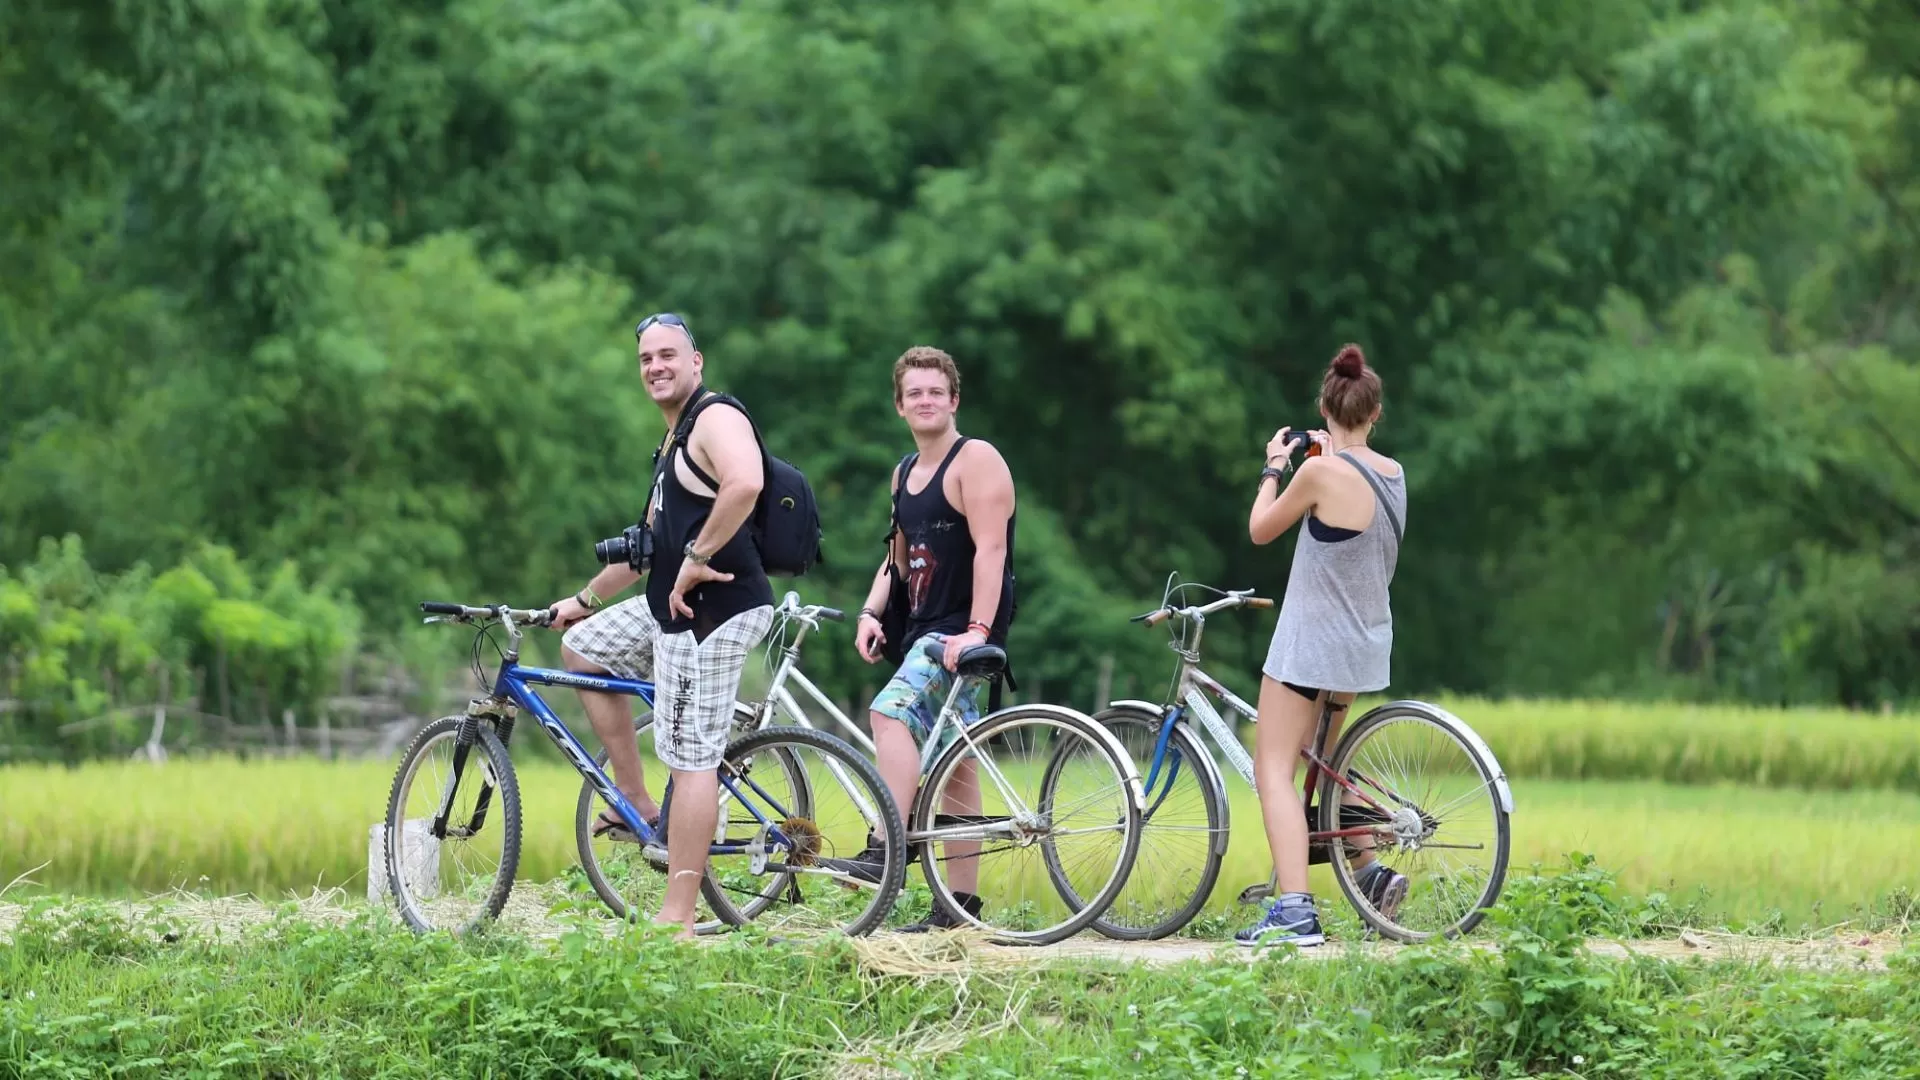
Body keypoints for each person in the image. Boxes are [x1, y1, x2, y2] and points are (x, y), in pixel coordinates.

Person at [547, 312, 776, 938]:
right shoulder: (673, 442)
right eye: (646, 358)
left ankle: (677, 918)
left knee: (691, 757)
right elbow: (645, 549)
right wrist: (583, 600)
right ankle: (635, 802)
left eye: (668, 355)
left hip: (714, 612)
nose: (656, 367)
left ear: (696, 361)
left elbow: (747, 481)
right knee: (583, 648)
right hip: (670, 611)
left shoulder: (715, 418)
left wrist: (697, 559)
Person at [1235, 343, 1410, 948]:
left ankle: (1294, 911)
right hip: (1364, 643)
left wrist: (1273, 467)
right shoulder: (1394, 474)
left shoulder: (1315, 473)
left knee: (1272, 769)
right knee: (1324, 764)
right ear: (1376, 412)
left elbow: (1261, 529)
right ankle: (1370, 873)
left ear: (1323, 408)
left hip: (1310, 645)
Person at [845, 345, 1017, 931]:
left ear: (954, 400)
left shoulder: (977, 460)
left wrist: (978, 632)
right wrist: (871, 612)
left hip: (961, 630)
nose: (925, 401)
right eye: (914, 393)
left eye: (935, 392)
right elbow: (896, 560)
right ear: (899, 405)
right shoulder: (903, 474)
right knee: (954, 766)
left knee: (888, 714)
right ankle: (957, 909)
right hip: (922, 626)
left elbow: (992, 551)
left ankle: (885, 848)